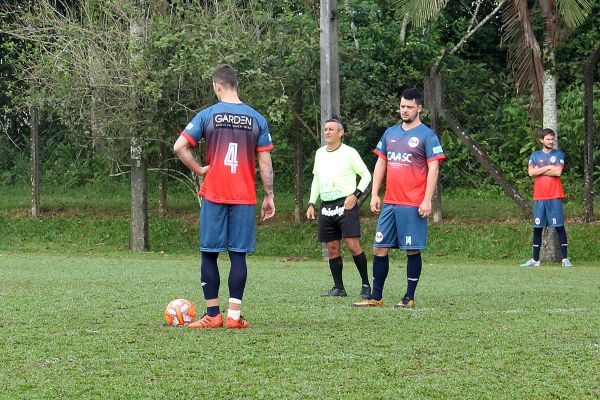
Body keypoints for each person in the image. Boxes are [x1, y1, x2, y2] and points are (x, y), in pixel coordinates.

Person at [173, 64, 275, 329]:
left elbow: (179, 146)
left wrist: (199, 169)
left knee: (209, 253)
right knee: (238, 255)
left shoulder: (207, 115)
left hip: (215, 193)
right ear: (235, 85)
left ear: (216, 86)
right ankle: (233, 317)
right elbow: (265, 161)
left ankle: (212, 314)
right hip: (244, 196)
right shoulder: (256, 119)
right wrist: (269, 195)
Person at [352, 88, 445, 309]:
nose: (404, 110)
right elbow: (381, 162)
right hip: (390, 202)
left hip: (412, 203)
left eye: (409, 107)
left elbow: (433, 168)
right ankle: (376, 297)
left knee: (412, 249)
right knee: (379, 248)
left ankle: (409, 297)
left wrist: (427, 199)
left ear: (419, 108)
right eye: (402, 106)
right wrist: (375, 193)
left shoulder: (427, 135)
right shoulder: (390, 133)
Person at [307, 119, 372, 299]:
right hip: (326, 206)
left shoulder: (350, 152)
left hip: (346, 204)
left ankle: (366, 285)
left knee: (353, 245)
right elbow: (316, 179)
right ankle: (339, 288)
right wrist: (311, 203)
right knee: (332, 248)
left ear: (340, 133)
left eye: (331, 129)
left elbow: (366, 175)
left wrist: (356, 195)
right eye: (325, 129)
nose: (327, 132)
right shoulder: (320, 153)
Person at [520, 128, 572, 267]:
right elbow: (531, 172)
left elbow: (558, 172)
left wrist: (539, 170)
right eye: (548, 139)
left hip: (555, 195)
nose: (551, 141)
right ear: (541, 140)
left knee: (559, 227)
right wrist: (548, 166)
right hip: (539, 197)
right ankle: (535, 260)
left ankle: (565, 259)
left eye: (552, 139)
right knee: (537, 228)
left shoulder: (559, 154)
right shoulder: (535, 155)